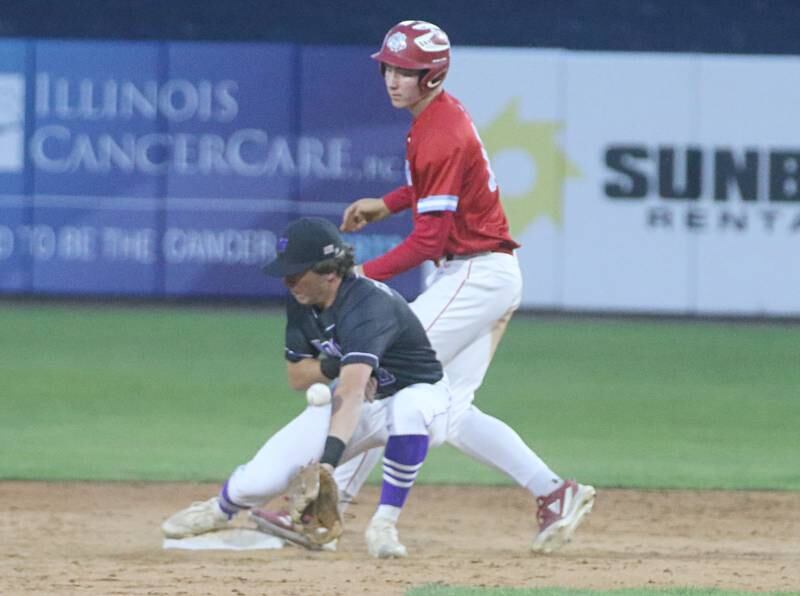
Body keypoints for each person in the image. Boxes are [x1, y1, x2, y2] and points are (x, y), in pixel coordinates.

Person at [328, 20, 595, 553]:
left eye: (408, 71)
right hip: (483, 273)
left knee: (381, 373)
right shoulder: (435, 121)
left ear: (434, 75)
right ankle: (553, 491)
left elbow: (427, 243)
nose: (394, 79)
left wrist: (356, 280)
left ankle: (323, 502)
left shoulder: (439, 131)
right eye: (390, 67)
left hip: (473, 273)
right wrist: (390, 202)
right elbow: (433, 186)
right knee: (449, 413)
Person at [161, 217, 451, 559]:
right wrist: (332, 365)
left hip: (421, 398)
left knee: (408, 409)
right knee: (261, 479)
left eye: (296, 273)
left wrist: (328, 463)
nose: (287, 280)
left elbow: (352, 389)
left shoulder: (366, 305)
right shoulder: (300, 301)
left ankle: (384, 524)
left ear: (329, 271)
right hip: (361, 403)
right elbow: (298, 376)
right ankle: (220, 508)